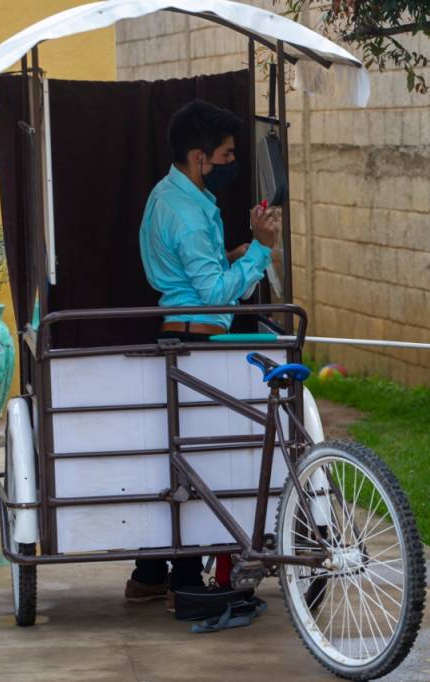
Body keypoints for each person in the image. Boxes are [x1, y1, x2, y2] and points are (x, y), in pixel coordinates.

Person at [125, 100, 280, 611]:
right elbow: (215, 292)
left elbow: (199, 271)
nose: (232, 164)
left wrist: (238, 250)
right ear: (199, 156)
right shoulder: (188, 213)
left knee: (179, 452)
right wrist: (260, 249)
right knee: (204, 458)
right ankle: (186, 576)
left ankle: (151, 572)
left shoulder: (172, 194)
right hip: (199, 341)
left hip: (185, 334)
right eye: (227, 155)